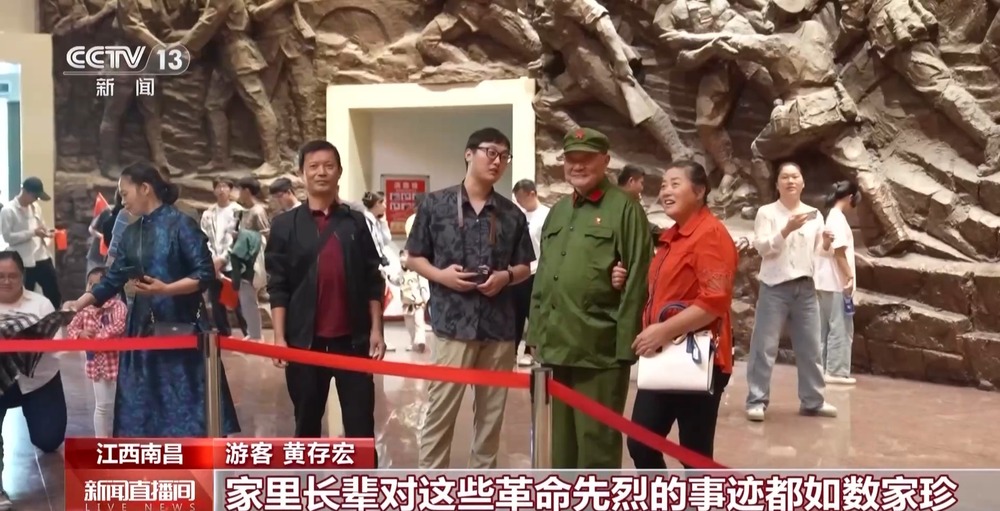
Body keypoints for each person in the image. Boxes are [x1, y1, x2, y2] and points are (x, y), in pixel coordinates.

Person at [63, 161, 241, 437]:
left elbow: (205, 274)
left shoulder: (181, 224)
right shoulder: (132, 232)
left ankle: (191, 459)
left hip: (182, 327)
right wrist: (79, 303)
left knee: (187, 403)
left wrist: (166, 289)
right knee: (144, 405)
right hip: (143, 328)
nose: (122, 201)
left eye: (125, 193)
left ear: (145, 188)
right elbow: (112, 278)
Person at [405, 127, 534, 469]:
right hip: (452, 325)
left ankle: (482, 487)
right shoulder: (436, 205)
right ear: (468, 154)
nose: (497, 161)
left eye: (504, 156)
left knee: (491, 420)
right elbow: (413, 257)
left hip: (499, 328)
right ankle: (430, 486)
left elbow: (525, 266)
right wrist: (441, 276)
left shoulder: (511, 213)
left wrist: (506, 277)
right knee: (440, 413)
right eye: (490, 152)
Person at [527, 127, 653, 469]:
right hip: (556, 345)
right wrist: (535, 333)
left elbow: (638, 277)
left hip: (599, 350)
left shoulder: (624, 210)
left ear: (605, 161)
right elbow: (544, 275)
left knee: (596, 444)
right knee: (560, 446)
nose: (578, 166)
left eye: (587, 158)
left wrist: (624, 346)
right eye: (571, 159)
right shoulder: (558, 212)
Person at [610, 161, 738, 469]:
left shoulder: (709, 234)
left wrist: (663, 331)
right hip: (664, 356)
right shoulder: (672, 237)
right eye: (663, 185)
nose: (665, 191)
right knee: (641, 443)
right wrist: (624, 279)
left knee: (693, 454)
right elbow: (665, 289)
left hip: (697, 357)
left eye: (675, 184)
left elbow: (714, 301)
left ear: (700, 190)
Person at [265, 140, 386, 450]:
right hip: (305, 343)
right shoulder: (284, 226)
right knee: (306, 424)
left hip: (353, 342)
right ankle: (307, 479)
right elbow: (278, 285)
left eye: (329, 166)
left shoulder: (355, 222)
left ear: (339, 172)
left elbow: (372, 279)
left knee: (360, 427)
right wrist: (279, 338)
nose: (322, 172)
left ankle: (363, 481)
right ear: (301, 174)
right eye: (314, 167)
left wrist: (376, 330)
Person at [745, 161, 837, 422]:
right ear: (777, 184)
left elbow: (820, 253)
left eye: (795, 176)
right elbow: (763, 248)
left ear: (803, 182)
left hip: (806, 288)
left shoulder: (814, 214)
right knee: (764, 347)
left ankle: (813, 400)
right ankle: (756, 400)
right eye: (785, 177)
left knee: (811, 348)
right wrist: (786, 229)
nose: (790, 181)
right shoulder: (767, 213)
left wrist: (826, 242)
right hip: (774, 287)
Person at [66, 266, 127, 438]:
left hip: (119, 364)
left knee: (120, 405)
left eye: (97, 285)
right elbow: (71, 328)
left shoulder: (118, 306)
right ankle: (101, 441)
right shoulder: (84, 310)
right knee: (102, 407)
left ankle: (121, 439)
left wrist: (97, 337)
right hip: (97, 368)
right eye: (90, 284)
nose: (92, 289)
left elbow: (119, 326)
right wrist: (80, 334)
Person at [816, 180, 859, 386]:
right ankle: (836, 371)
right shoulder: (838, 219)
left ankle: (822, 369)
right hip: (837, 283)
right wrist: (849, 276)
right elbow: (839, 251)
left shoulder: (830, 217)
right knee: (840, 327)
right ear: (850, 198)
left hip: (824, 282)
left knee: (824, 329)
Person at [0, 178, 61, 308]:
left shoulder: (36, 207)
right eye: (35, 196)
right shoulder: (8, 210)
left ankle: (55, 317)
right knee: (25, 295)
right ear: (25, 192)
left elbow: (41, 226)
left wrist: (47, 233)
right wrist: (32, 233)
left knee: (54, 292)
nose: (36, 200)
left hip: (42, 256)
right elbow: (8, 238)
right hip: (23, 260)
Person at [200, 178, 247, 338]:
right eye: (218, 187)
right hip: (214, 263)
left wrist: (224, 258)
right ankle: (224, 334)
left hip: (232, 262)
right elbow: (204, 237)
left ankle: (249, 333)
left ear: (230, 190)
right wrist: (213, 259)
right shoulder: (208, 213)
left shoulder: (238, 211)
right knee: (216, 300)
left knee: (239, 299)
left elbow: (240, 238)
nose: (221, 190)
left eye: (225, 186)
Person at [511, 179, 550, 367]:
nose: (519, 202)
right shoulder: (521, 216)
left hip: (538, 272)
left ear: (531, 193)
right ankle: (512, 350)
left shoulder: (546, 215)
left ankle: (530, 350)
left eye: (520, 198)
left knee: (532, 313)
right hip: (520, 270)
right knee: (516, 312)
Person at [388, 250, 429, 353]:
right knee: (409, 325)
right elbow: (397, 281)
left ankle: (421, 341)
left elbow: (423, 285)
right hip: (406, 303)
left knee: (419, 322)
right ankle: (413, 341)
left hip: (418, 302)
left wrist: (425, 298)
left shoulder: (417, 272)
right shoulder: (401, 273)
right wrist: (389, 277)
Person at [362, 191, 393, 268]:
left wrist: (384, 222)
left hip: (378, 263)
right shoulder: (365, 221)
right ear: (377, 203)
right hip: (371, 264)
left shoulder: (377, 221)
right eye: (384, 203)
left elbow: (386, 240)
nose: (385, 207)